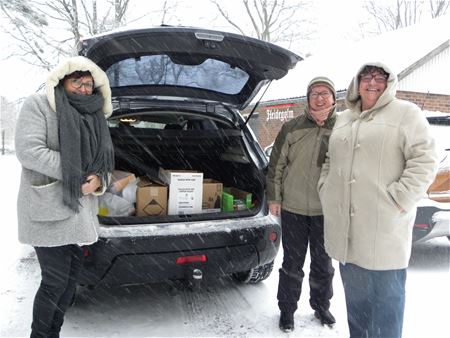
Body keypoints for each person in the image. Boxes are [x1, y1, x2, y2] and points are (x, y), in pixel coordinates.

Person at [318, 62, 439, 338]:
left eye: (380, 77)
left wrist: (399, 199)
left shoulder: (406, 114)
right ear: (356, 83)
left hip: (384, 234)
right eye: (367, 77)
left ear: (390, 82)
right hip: (348, 237)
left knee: (386, 316)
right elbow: (328, 159)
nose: (373, 82)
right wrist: (326, 187)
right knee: (357, 313)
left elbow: (425, 159)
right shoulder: (344, 118)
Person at [15, 56, 114, 338]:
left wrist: (98, 180)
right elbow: (29, 151)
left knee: (69, 284)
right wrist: (76, 172)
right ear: (61, 81)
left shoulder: (95, 116)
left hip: (78, 212)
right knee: (54, 283)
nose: (84, 88)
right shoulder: (39, 105)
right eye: (77, 82)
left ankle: (52, 334)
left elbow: (101, 162)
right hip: (48, 211)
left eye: (89, 84)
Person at [266, 76, 337, 333]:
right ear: (308, 99)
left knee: (323, 264)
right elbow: (276, 165)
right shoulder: (292, 127)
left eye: (325, 93)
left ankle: (321, 305)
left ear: (333, 98)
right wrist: (275, 197)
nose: (319, 97)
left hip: (326, 210)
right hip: (294, 208)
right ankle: (287, 310)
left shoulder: (342, 128)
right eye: (315, 93)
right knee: (292, 264)